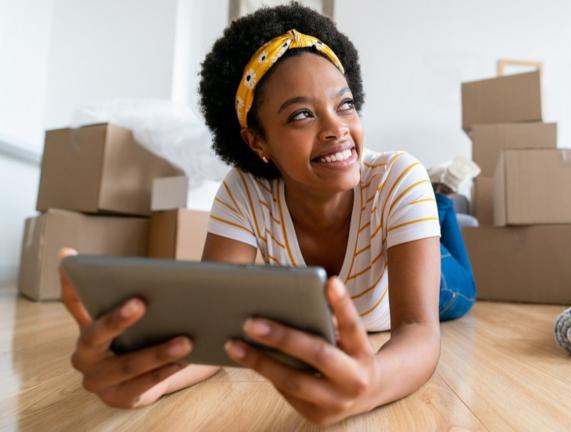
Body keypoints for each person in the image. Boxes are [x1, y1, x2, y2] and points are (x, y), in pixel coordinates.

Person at [58, 3, 476, 425]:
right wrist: (151, 380)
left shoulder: (398, 177)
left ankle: (439, 206)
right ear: (257, 140)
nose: (337, 128)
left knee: (457, 289)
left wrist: (373, 384)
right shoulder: (244, 193)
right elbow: (213, 334)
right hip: (375, 266)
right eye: (301, 115)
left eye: (345, 104)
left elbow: (419, 330)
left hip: (415, 277)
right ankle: (434, 208)